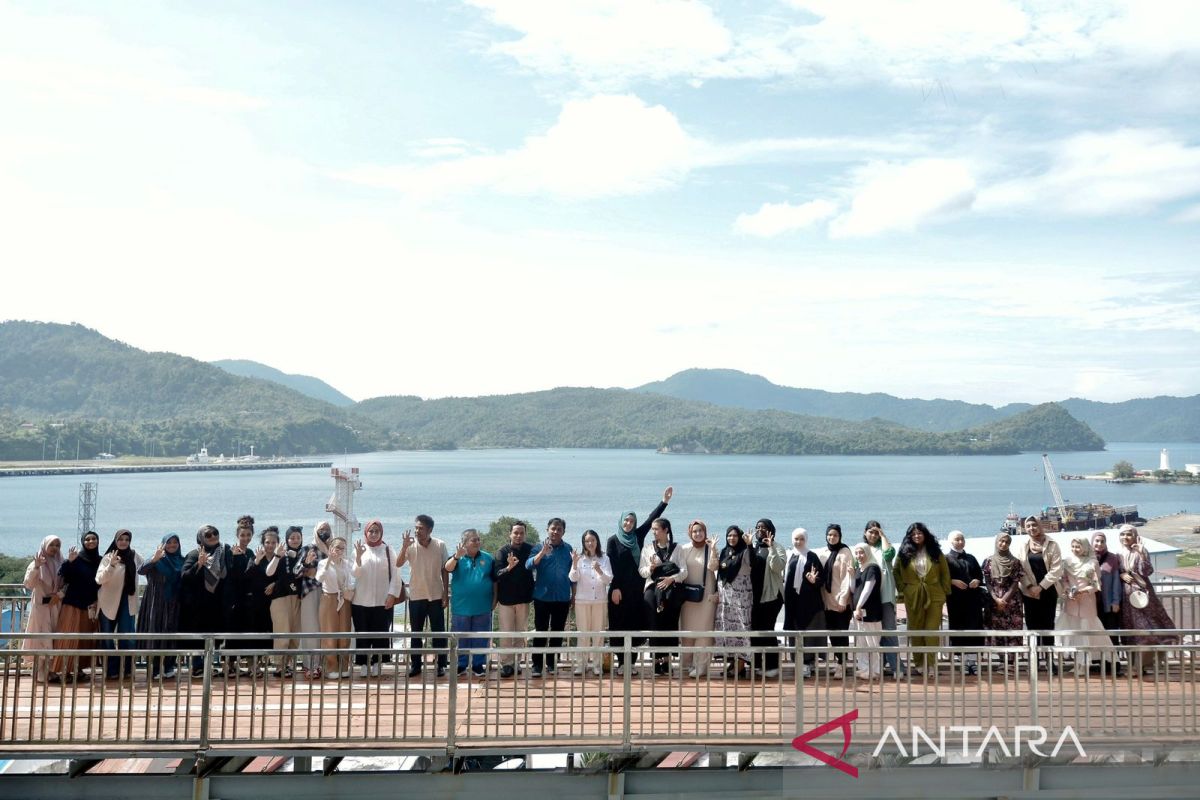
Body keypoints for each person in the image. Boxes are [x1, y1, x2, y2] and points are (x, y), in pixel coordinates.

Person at [607, 487, 673, 673]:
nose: (629, 523)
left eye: (632, 520)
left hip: (637, 589)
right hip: (619, 589)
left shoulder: (637, 536)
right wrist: (615, 588)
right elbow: (613, 566)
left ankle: (632, 663)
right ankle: (621, 663)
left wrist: (664, 501)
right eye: (626, 520)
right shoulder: (613, 540)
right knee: (619, 624)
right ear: (621, 521)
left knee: (634, 623)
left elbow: (652, 519)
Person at [1116, 524, 1178, 675]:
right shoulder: (1118, 553)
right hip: (1126, 598)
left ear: (1135, 535)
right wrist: (1121, 575)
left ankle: (1141, 665)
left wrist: (1142, 553)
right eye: (1122, 534)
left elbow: (1147, 571)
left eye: (1129, 534)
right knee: (1130, 631)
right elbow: (1116, 572)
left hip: (1143, 596)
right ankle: (1135, 666)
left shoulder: (1141, 551)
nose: (1125, 537)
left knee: (1147, 630)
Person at [893, 522, 950, 677]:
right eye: (914, 534)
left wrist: (944, 592)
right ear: (910, 537)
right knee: (916, 630)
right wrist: (904, 589)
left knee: (931, 630)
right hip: (913, 595)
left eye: (920, 533)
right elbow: (896, 571)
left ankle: (931, 664)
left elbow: (945, 574)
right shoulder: (904, 553)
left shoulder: (935, 552)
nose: (917, 536)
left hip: (934, 595)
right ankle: (919, 663)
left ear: (925, 534)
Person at [397, 514, 447, 677]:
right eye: (416, 527)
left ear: (430, 530)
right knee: (416, 633)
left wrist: (446, 593)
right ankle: (416, 665)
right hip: (416, 595)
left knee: (439, 632)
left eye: (421, 528)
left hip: (435, 595)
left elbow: (444, 570)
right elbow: (398, 564)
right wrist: (404, 546)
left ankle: (441, 664)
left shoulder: (440, 545)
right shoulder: (410, 547)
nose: (417, 531)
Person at [181, 525, 235, 677]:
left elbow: (232, 573)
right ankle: (198, 667)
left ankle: (208, 665)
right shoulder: (194, 554)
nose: (213, 537)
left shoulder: (225, 552)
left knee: (215, 637)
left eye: (215, 533)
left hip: (219, 604)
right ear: (201, 538)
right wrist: (199, 564)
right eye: (208, 535)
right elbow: (185, 576)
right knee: (200, 636)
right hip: (200, 605)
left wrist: (236, 558)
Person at [354, 520, 404, 677]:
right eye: (371, 531)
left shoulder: (388, 550)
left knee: (380, 633)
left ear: (381, 533)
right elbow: (355, 574)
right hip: (361, 601)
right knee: (362, 634)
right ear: (366, 533)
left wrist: (392, 595)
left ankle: (377, 663)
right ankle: (363, 664)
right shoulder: (359, 549)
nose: (374, 534)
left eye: (377, 531)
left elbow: (396, 575)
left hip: (383, 601)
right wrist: (358, 558)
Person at [1012, 515, 1063, 670]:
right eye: (1028, 526)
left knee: (1048, 624)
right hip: (1029, 592)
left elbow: (1057, 569)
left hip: (1047, 591)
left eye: (1034, 525)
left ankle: (1049, 659)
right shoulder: (1023, 545)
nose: (1032, 528)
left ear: (1040, 526)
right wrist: (1029, 586)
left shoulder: (1052, 544)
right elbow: (1019, 568)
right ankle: (1034, 660)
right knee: (1032, 625)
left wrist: (1040, 587)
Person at [49, 531, 101, 682]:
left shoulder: (100, 560)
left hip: (89, 605)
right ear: (83, 542)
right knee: (68, 637)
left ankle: (77, 669)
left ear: (98, 541)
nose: (91, 541)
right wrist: (70, 562)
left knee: (83, 640)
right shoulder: (76, 558)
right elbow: (64, 576)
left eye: (94, 539)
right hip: (72, 603)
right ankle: (62, 670)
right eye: (87, 539)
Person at [444, 529, 496, 677]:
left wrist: (495, 598)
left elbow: (494, 580)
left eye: (478, 539)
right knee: (461, 638)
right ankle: (461, 665)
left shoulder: (488, 558)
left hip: (483, 606)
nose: (477, 542)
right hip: (461, 607)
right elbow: (447, 568)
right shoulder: (457, 558)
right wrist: (456, 557)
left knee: (480, 637)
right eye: (473, 540)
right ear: (465, 543)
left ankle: (478, 665)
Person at [526, 517, 574, 677]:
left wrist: (573, 595)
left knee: (557, 632)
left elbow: (573, 573)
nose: (555, 532)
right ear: (547, 529)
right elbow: (529, 565)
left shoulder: (568, 549)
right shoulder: (539, 546)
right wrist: (542, 553)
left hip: (562, 597)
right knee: (541, 631)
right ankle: (537, 665)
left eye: (559, 529)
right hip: (542, 597)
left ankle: (552, 663)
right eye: (553, 528)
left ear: (563, 532)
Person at [671, 520, 718, 679]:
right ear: (690, 533)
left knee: (704, 632)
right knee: (687, 631)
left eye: (700, 531)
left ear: (705, 532)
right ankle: (687, 663)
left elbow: (714, 567)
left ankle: (701, 666)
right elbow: (674, 567)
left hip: (706, 597)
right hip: (687, 597)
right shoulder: (684, 549)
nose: (698, 534)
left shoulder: (710, 548)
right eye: (694, 531)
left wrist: (713, 550)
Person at [1055, 535, 1108, 675]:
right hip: (1072, 602)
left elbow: (1097, 584)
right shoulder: (1067, 561)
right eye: (1073, 546)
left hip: (1087, 602)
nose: (1075, 549)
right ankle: (1077, 663)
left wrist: (1083, 591)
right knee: (1074, 633)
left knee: (1085, 634)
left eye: (1078, 546)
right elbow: (1064, 580)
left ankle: (1085, 665)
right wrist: (1067, 590)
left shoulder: (1092, 562)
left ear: (1084, 547)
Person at [95, 529, 142, 680]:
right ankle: (111, 670)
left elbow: (146, 568)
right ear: (115, 540)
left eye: (126, 539)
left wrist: (156, 559)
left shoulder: (134, 556)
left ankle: (127, 669)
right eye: (120, 539)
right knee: (107, 637)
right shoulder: (109, 557)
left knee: (127, 637)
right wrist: (111, 566)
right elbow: (99, 579)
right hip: (107, 602)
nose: (123, 542)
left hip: (127, 602)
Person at [136, 533, 184, 678]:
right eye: (169, 542)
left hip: (174, 603)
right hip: (155, 602)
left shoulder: (182, 560)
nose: (172, 545)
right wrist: (154, 559)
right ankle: (156, 668)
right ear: (163, 544)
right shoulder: (157, 558)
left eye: (175, 542)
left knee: (171, 633)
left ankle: (169, 666)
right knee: (156, 633)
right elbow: (141, 570)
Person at [493, 520, 535, 678]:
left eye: (521, 533)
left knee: (521, 633)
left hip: (524, 599)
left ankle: (517, 662)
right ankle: (506, 664)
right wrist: (508, 568)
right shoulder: (502, 552)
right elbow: (496, 574)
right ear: (509, 534)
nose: (518, 536)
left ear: (525, 534)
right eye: (515, 533)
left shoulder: (530, 549)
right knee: (506, 633)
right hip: (506, 601)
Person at [639, 518, 681, 676]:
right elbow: (641, 571)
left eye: (656, 529)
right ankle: (656, 660)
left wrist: (672, 579)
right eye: (653, 529)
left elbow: (684, 571)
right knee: (654, 622)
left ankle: (668, 660)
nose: (654, 532)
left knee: (670, 621)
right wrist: (650, 568)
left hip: (671, 588)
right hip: (652, 587)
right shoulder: (648, 548)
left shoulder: (677, 549)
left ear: (666, 530)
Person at [570, 529, 613, 676]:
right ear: (584, 543)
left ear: (597, 541)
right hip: (582, 601)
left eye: (592, 540)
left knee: (598, 634)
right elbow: (573, 578)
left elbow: (608, 580)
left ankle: (596, 664)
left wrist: (599, 570)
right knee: (582, 634)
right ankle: (581, 665)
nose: (590, 543)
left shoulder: (605, 558)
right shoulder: (579, 558)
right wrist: (574, 564)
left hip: (599, 601)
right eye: (587, 541)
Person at [783, 528, 824, 678]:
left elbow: (822, 579)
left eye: (801, 539)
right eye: (796, 539)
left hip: (809, 601)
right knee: (795, 631)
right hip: (792, 601)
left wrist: (815, 580)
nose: (798, 542)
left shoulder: (812, 556)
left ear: (806, 540)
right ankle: (798, 662)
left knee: (808, 631)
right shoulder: (790, 555)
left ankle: (807, 662)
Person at [264, 526, 305, 677]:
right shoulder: (281, 554)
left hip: (297, 598)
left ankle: (289, 664)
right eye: (292, 538)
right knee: (282, 632)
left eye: (298, 538)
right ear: (287, 540)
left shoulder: (303, 555)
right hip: (280, 598)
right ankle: (280, 666)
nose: (295, 540)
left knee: (295, 633)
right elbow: (269, 572)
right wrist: (276, 556)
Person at [749, 519, 787, 678]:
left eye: (763, 528)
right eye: (758, 527)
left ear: (771, 530)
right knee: (755, 630)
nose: (760, 530)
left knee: (767, 629)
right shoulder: (754, 547)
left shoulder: (778, 547)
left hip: (772, 596)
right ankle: (757, 664)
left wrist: (771, 547)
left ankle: (772, 666)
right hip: (755, 596)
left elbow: (778, 567)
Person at [23, 535, 64, 681]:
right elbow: (28, 584)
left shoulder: (61, 562)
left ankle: (51, 670)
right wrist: (36, 567)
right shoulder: (36, 563)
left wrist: (59, 594)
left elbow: (67, 584)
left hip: (56, 606)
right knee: (42, 637)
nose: (54, 548)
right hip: (41, 607)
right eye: (51, 545)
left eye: (57, 545)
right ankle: (40, 672)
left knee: (53, 638)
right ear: (45, 545)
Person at [982, 533, 1026, 665]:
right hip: (994, 601)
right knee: (997, 630)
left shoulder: (1015, 561)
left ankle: (1012, 663)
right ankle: (1002, 662)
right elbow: (988, 582)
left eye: (1007, 542)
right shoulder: (988, 561)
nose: (1003, 544)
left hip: (1012, 601)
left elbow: (1015, 583)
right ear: (997, 542)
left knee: (1013, 630)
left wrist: (1004, 599)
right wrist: (996, 598)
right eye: (1001, 541)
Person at [945, 530, 985, 675]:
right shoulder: (946, 559)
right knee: (958, 627)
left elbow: (979, 575)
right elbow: (942, 579)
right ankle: (961, 661)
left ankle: (973, 661)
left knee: (974, 627)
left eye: (962, 539)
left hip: (972, 599)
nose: (960, 542)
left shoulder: (971, 558)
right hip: (955, 600)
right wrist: (953, 581)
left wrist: (977, 581)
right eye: (957, 539)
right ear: (950, 541)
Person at [716, 525, 753, 678]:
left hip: (741, 596)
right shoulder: (725, 551)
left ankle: (741, 665)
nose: (732, 538)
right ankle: (734, 663)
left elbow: (752, 562)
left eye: (735, 536)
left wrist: (750, 545)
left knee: (741, 628)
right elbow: (718, 571)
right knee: (728, 628)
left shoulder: (744, 551)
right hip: (726, 596)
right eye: (729, 535)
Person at [315, 536, 355, 679]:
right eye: (337, 547)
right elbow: (319, 578)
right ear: (331, 548)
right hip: (329, 598)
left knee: (345, 634)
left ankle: (344, 666)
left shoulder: (347, 564)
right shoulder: (323, 563)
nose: (339, 550)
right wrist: (329, 561)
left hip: (344, 599)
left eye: (342, 548)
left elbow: (353, 578)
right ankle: (331, 667)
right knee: (329, 634)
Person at [863, 522, 899, 676]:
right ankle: (876, 666)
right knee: (872, 634)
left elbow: (889, 555)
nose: (873, 535)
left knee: (889, 631)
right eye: (871, 532)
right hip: (869, 599)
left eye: (876, 532)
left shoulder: (883, 547)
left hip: (884, 595)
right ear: (865, 533)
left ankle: (896, 667)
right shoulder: (862, 549)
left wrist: (883, 535)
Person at [820, 524, 855, 676]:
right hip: (827, 601)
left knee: (841, 633)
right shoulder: (824, 552)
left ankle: (842, 663)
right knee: (832, 633)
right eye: (829, 535)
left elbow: (847, 577)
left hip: (841, 601)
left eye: (835, 535)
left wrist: (843, 599)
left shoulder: (845, 552)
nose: (832, 538)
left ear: (840, 536)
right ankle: (838, 661)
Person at [1092, 532, 1124, 674]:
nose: (1099, 544)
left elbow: (1117, 582)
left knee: (1111, 635)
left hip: (1108, 603)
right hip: (1092, 604)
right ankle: (1101, 664)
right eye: (1096, 541)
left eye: (1102, 541)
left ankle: (1114, 665)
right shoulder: (1088, 558)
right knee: (1097, 635)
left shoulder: (1112, 558)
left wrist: (1116, 601)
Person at [851, 543, 883, 680]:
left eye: (862, 552)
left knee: (872, 641)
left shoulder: (872, 568)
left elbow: (868, 589)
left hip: (870, 610)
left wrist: (858, 606)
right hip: (859, 612)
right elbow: (853, 589)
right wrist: (851, 576)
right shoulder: (860, 569)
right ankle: (864, 668)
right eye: (857, 553)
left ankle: (875, 670)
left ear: (867, 553)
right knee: (861, 641)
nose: (859, 556)